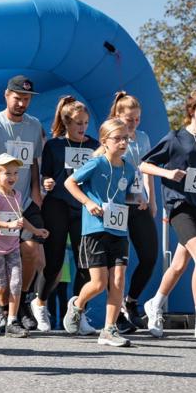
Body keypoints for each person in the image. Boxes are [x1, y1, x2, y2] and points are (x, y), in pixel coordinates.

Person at [139, 89, 196, 338]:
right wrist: (168, 174)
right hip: (180, 207)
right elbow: (144, 164)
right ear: (192, 110)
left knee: (179, 265)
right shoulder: (176, 138)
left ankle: (155, 303)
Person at [0, 75, 46, 334]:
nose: (21, 103)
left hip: (25, 201)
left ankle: (22, 301)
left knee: (31, 252)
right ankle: (4, 313)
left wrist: (37, 195)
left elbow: (35, 163)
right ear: (6, 95)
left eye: (26, 99)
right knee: (3, 261)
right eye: (17, 98)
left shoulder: (35, 126)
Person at [62, 119, 140, 346]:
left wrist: (140, 199)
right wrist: (87, 202)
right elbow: (70, 183)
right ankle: (77, 305)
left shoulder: (129, 168)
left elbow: (130, 194)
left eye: (126, 138)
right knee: (98, 283)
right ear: (105, 142)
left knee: (118, 280)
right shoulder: (96, 164)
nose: (123, 142)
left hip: (119, 229)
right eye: (117, 138)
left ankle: (109, 329)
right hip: (95, 229)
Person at [0, 154, 49, 337]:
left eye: (15, 173)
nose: (12, 177)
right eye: (7, 173)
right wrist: (8, 225)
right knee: (0, 287)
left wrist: (36, 230)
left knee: (16, 283)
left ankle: (12, 321)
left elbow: (20, 218)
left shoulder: (17, 194)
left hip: (12, 245)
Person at [37, 96, 98, 332]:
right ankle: (40, 303)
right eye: (77, 123)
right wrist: (47, 182)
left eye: (85, 123)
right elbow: (45, 177)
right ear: (67, 123)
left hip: (84, 206)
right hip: (57, 205)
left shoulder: (94, 146)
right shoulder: (53, 146)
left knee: (85, 264)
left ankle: (78, 312)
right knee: (55, 263)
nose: (82, 128)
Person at [109, 91, 158, 331]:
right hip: (117, 203)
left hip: (139, 202)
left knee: (150, 255)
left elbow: (146, 169)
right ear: (118, 116)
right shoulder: (111, 138)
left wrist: (152, 200)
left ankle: (132, 300)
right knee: (119, 261)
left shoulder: (144, 138)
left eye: (137, 119)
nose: (134, 124)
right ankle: (116, 311)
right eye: (130, 120)